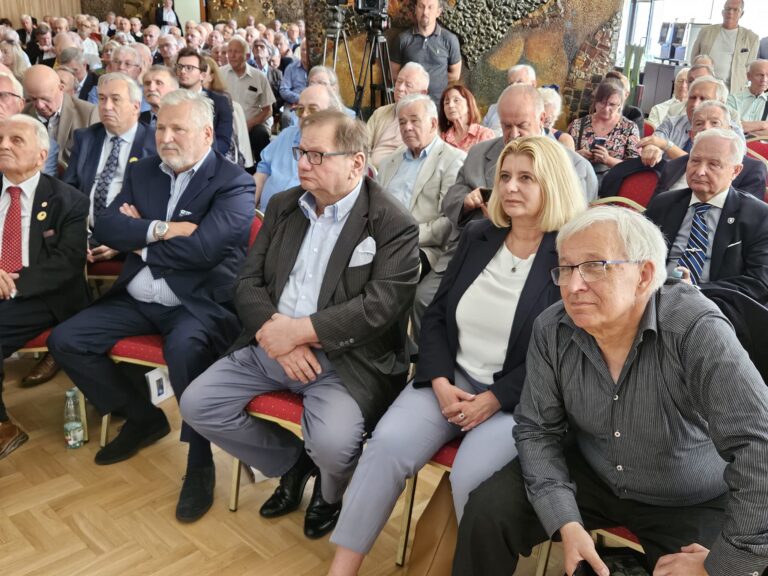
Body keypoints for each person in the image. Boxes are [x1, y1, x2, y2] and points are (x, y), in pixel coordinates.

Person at [453, 205, 768, 576]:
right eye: (566, 268)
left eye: (594, 266)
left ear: (644, 274)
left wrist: (721, 564)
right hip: (594, 471)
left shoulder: (695, 329)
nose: (573, 286)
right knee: (488, 511)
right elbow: (537, 430)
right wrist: (566, 519)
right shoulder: (552, 329)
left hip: (689, 496)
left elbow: (758, 446)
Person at [328, 135, 586, 576]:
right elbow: (437, 316)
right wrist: (441, 381)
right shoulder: (479, 234)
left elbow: (563, 353)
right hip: (454, 378)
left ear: (555, 184)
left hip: (519, 400)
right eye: (504, 176)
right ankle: (343, 568)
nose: (510, 188)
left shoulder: (572, 255)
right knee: (385, 447)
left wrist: (495, 399)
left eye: (527, 178)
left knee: (471, 479)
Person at [180, 110, 420, 541]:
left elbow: (379, 307)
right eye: (300, 152)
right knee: (197, 404)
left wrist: (299, 333)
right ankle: (291, 464)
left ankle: (329, 495)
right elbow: (247, 281)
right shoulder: (283, 205)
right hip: (272, 344)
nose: (303, 164)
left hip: (346, 361)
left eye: (316, 155)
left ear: (357, 163)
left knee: (333, 445)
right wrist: (280, 336)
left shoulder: (392, 224)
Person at [48, 90, 255, 523]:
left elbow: (202, 251)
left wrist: (138, 239)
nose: (165, 136)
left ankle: (199, 463)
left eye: (178, 128)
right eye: (160, 126)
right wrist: (163, 229)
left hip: (194, 304)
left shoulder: (233, 181)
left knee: (185, 351)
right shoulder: (145, 173)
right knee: (67, 339)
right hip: (139, 297)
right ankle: (142, 417)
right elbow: (105, 223)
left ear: (204, 133)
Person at [412, 84, 597, 341]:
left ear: (542, 119)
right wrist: (467, 202)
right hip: (472, 247)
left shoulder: (574, 165)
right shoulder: (480, 153)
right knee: (425, 299)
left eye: (521, 124)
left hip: (540, 257)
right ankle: (437, 357)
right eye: (506, 125)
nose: (513, 134)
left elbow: (576, 228)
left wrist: (513, 217)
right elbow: (452, 198)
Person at [0, 114, 89, 459]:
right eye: (1, 139)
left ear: (41, 154)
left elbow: (67, 263)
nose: (4, 145)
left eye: (16, 140)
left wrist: (11, 286)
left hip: (45, 295)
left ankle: (3, 426)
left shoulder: (69, 201)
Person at [645, 127, 768, 304]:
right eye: (694, 161)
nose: (700, 171)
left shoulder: (759, 216)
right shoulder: (663, 203)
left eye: (713, 164)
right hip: (654, 299)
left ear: (735, 171)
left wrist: (696, 291)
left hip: (716, 309)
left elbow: (759, 283)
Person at [378, 93, 466, 278]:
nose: (407, 127)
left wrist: (404, 237)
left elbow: (448, 221)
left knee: (390, 271)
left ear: (433, 124)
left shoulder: (453, 160)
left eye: (414, 121)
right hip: (379, 239)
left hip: (422, 246)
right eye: (402, 122)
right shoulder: (389, 162)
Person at [63, 72, 157, 245]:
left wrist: (122, 242)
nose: (106, 106)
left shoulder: (154, 144)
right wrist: (76, 233)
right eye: (102, 98)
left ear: (136, 107)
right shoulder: (86, 138)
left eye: (115, 99)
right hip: (84, 234)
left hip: (131, 236)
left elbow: (156, 203)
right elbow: (69, 189)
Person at [654, 100, 767, 200]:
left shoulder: (752, 170)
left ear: (730, 131)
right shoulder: (673, 166)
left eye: (715, 123)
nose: (706, 128)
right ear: (691, 135)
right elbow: (653, 212)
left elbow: (747, 218)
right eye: (699, 123)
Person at [254, 84, 342, 211]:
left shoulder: (337, 150)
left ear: (332, 113)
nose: (304, 115)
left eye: (312, 109)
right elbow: (262, 173)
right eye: (300, 109)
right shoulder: (286, 135)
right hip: (264, 219)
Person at [639, 75, 741, 167]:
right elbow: (655, 141)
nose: (695, 104)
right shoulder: (672, 123)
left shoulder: (731, 131)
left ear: (720, 103)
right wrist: (652, 147)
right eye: (692, 98)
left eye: (703, 99)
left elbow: (710, 167)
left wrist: (667, 146)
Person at [22, 64, 99, 170]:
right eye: (34, 99)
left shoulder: (88, 114)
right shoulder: (24, 113)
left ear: (61, 88)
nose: (40, 105)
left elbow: (93, 161)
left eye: (45, 99)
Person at [390, 0, 461, 104]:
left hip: (439, 107)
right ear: (415, 9)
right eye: (421, 7)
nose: (425, 12)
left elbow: (455, 75)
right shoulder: (402, 39)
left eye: (430, 7)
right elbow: (393, 74)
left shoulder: (450, 40)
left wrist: (435, 82)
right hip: (409, 105)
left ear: (438, 12)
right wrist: (411, 85)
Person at [567, 80, 640, 180]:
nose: (606, 108)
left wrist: (608, 160)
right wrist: (577, 156)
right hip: (579, 179)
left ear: (620, 105)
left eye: (612, 104)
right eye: (602, 103)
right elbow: (563, 157)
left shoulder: (629, 128)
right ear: (595, 101)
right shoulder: (578, 125)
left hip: (612, 184)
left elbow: (634, 166)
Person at [221, 36, 275, 162]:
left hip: (252, 126)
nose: (232, 55)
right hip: (227, 125)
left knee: (260, 134)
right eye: (229, 51)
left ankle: (262, 170)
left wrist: (248, 124)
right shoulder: (220, 74)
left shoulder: (259, 77)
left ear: (247, 55)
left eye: (236, 52)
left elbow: (268, 110)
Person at [367, 62, 430, 168]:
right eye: (398, 81)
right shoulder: (381, 113)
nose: (400, 88)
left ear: (422, 93)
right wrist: (369, 169)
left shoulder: (426, 124)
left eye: (408, 85)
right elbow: (362, 145)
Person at [174, 47, 233, 156]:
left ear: (203, 75)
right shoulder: (170, 100)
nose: (182, 71)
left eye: (189, 68)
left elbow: (224, 141)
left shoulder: (219, 102)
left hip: (207, 159)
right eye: (180, 67)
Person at [689, 0, 758, 93]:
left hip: (732, 92)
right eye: (728, 8)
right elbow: (694, 58)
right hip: (704, 85)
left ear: (741, 14)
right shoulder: (705, 31)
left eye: (735, 10)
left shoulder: (751, 38)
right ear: (722, 12)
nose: (731, 12)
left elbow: (750, 68)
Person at [482, 64, 537, 134]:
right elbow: (480, 136)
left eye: (519, 82)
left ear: (533, 84)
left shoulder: (540, 109)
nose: (513, 86)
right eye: (511, 83)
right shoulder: (494, 109)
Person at [439, 84, 495, 152]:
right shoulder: (443, 138)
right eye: (447, 103)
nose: (450, 105)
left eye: (456, 100)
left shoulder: (484, 134)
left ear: (469, 104)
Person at [726, 58, 768, 134]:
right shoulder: (733, 99)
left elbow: (737, 127)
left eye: (767, 75)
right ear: (749, 76)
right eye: (759, 75)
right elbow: (728, 126)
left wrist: (744, 126)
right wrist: (763, 125)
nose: (764, 79)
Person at [279, 41, 309, 128]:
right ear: (300, 51)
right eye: (303, 50)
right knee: (287, 117)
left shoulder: (319, 69)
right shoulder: (291, 68)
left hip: (313, 103)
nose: (305, 52)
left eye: (308, 50)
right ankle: (289, 140)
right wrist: (300, 99)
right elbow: (283, 90)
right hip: (294, 103)